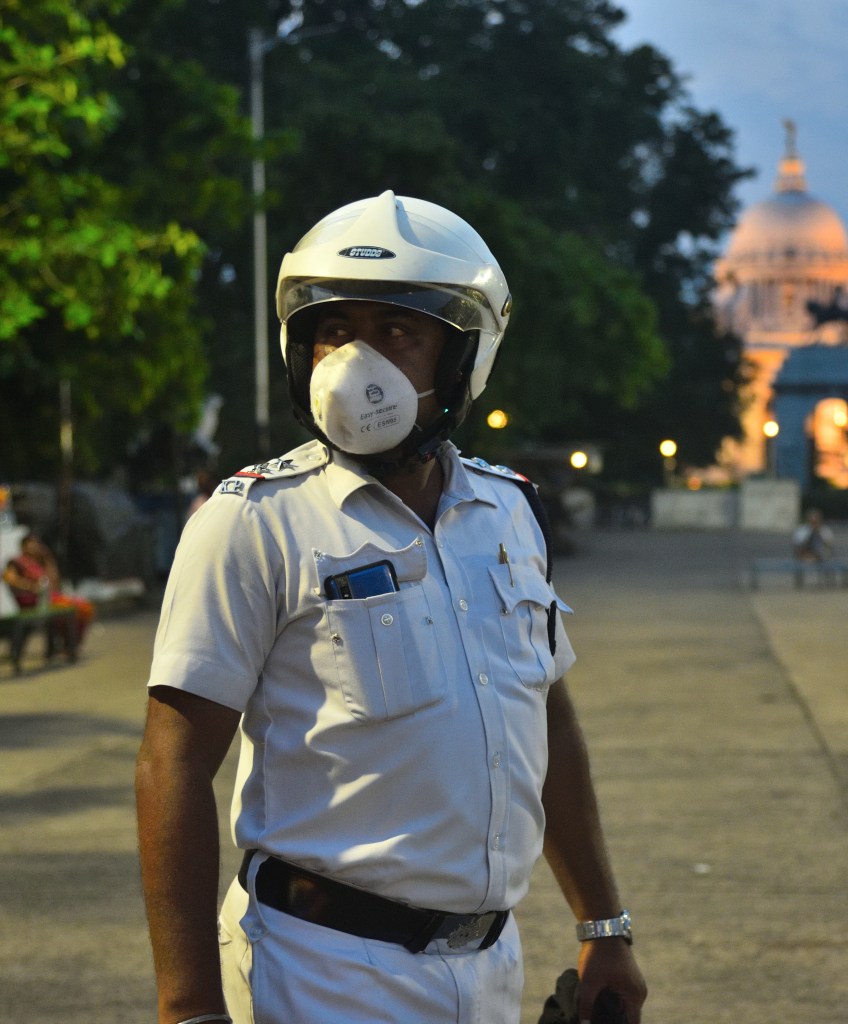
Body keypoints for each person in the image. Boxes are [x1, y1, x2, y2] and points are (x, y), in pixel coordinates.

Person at [135, 192, 647, 1024]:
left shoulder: (509, 511)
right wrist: (189, 1007)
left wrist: (603, 924)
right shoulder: (254, 522)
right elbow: (173, 762)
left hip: (489, 965)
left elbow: (543, 719)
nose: (355, 362)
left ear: (465, 356)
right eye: (335, 331)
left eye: (397, 331)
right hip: (317, 969)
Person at [2, 533, 95, 647]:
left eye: (37, 543)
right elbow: (9, 578)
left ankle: (70, 644)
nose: (35, 546)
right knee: (76, 608)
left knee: (83, 607)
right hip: (33, 601)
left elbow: (54, 580)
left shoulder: (39, 561)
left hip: (50, 597)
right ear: (23, 546)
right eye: (31, 543)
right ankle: (69, 644)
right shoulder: (17, 562)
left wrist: (48, 558)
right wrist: (30, 587)